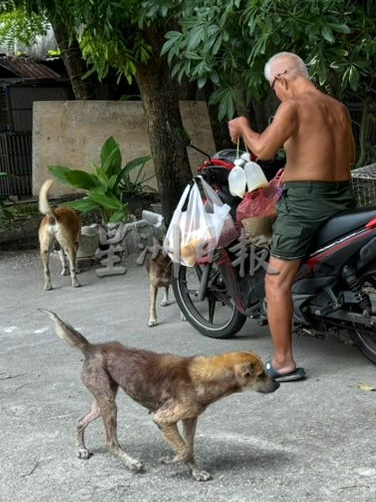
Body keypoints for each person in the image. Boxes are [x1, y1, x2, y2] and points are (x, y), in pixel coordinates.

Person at [228, 52, 357, 382]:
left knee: (275, 279)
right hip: (342, 197)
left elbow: (263, 150)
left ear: (281, 79)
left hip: (305, 205)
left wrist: (243, 125)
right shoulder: (338, 108)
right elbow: (349, 157)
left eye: (273, 87)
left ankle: (283, 362)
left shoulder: (293, 106)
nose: (277, 93)